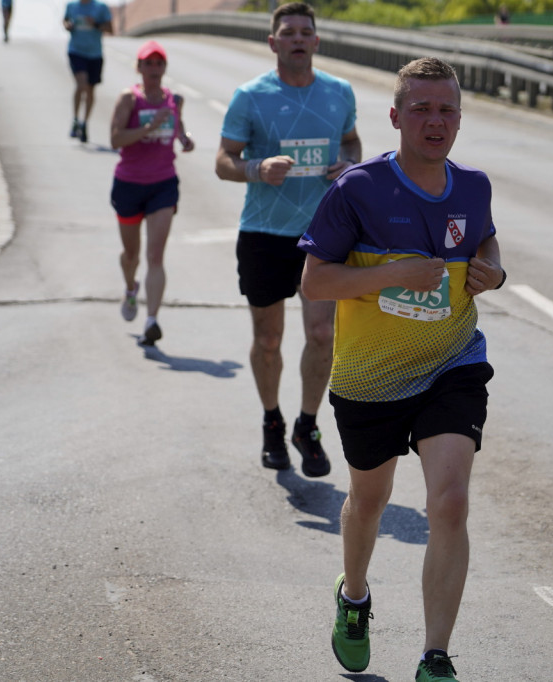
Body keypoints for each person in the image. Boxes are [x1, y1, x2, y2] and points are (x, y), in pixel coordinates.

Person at [298, 57, 505, 682]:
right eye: (421, 109)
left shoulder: (473, 186)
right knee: (369, 501)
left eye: (446, 110)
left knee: (450, 502)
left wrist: (493, 268)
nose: (434, 121)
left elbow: (486, 241)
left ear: (460, 119)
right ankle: (354, 597)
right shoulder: (357, 189)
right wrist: (391, 273)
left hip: (452, 362)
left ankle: (435, 656)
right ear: (395, 117)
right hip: (369, 377)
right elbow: (314, 282)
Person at [215, 2, 361, 479]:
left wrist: (349, 165)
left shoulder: (339, 93)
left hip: (323, 234)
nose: (298, 38)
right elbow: (223, 161)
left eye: (306, 32)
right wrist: (256, 169)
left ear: (316, 42)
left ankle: (307, 425)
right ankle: (272, 421)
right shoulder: (250, 96)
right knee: (269, 339)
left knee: (322, 334)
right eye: (288, 32)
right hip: (263, 233)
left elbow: (353, 142)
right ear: (273, 42)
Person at [110, 40, 194, 346]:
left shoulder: (174, 100)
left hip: (163, 184)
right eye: (149, 64)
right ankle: (131, 287)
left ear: (164, 68)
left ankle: (151, 321)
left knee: (155, 255)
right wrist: (149, 127)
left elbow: (179, 128)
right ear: (140, 68)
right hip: (129, 184)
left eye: (159, 64)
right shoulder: (129, 99)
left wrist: (185, 139)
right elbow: (115, 139)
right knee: (131, 254)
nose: (154, 69)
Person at [63, 0, 112, 143]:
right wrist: (68, 26)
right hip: (76, 51)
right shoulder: (71, 6)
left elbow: (110, 29)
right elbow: (65, 21)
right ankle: (75, 119)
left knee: (90, 90)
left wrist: (95, 24)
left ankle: (85, 123)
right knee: (81, 84)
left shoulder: (101, 8)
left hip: (95, 54)